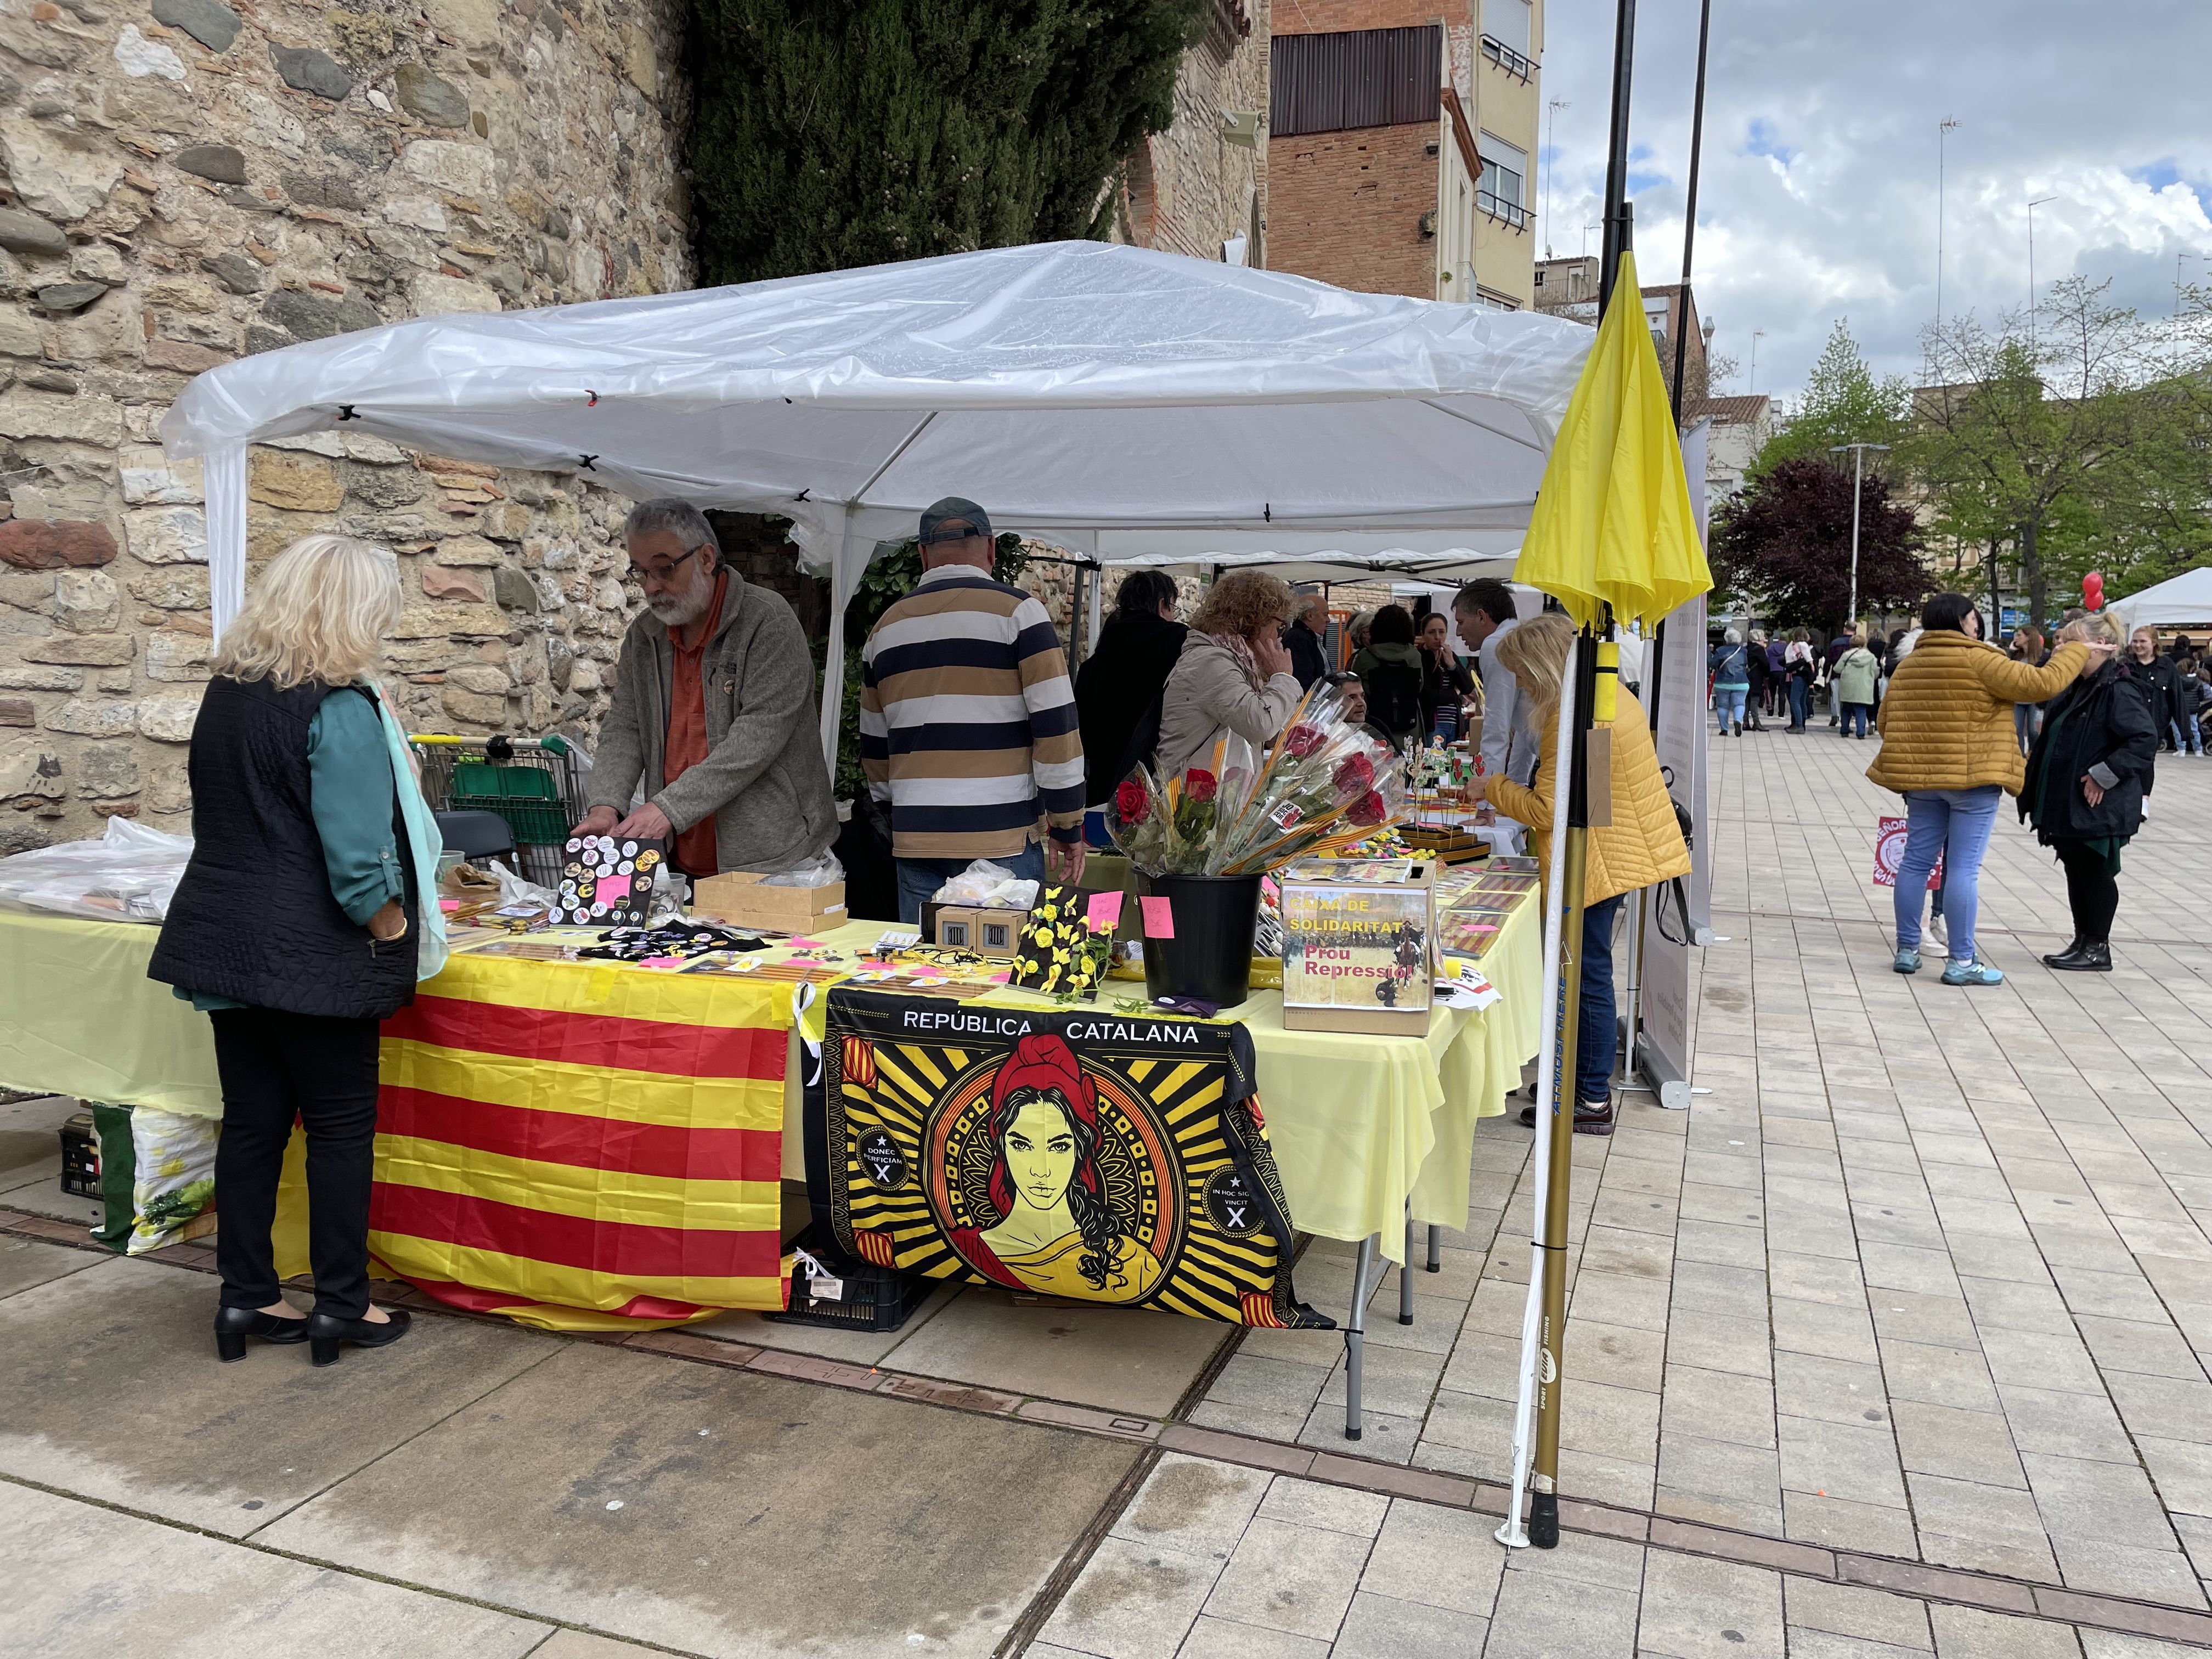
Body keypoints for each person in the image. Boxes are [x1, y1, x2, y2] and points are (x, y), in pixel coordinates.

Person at [148, 535, 446, 1368]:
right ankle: (341, 1308)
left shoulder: (229, 692)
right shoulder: (339, 707)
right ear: (355, 610)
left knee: (252, 1126)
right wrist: (392, 930)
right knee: (341, 1133)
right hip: (315, 953)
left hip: (227, 938)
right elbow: (358, 865)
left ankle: (246, 1298)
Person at [1472, 614, 1690, 1135]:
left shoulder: (1576, 717)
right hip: (1608, 850)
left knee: (1587, 975)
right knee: (1587, 970)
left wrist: (1493, 787)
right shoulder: (1601, 697)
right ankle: (1574, 1080)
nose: (1520, 685)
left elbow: (1549, 810)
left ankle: (1590, 1096)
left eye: (1522, 674)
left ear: (1544, 667)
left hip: (1598, 859)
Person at [577, 499, 836, 881]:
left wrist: (667, 808)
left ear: (707, 558)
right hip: (677, 855)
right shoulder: (644, 636)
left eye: (664, 569)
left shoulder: (768, 621)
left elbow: (756, 738)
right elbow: (624, 726)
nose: (651, 587)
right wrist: (605, 805)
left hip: (774, 858)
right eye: (641, 572)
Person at [860, 497, 1085, 923]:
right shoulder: (1021, 614)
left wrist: (901, 817)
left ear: (923, 554)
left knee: (928, 977)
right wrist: (1068, 824)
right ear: (991, 548)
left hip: (917, 840)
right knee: (1003, 980)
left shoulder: (885, 629)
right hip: (1002, 841)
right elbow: (1056, 732)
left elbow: (875, 751)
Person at [1867, 592, 2098, 985]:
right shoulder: (1981, 659)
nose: (1978, 624)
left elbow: (1886, 722)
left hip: (1922, 783)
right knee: (1962, 868)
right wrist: (2076, 650)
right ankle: (1961, 960)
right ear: (1964, 620)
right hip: (1974, 782)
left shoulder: (1909, 666)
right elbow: (2043, 684)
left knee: (1916, 863)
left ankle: (1908, 949)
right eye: (1974, 618)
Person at [947, 1034, 1161, 1300]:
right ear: (1001, 1147)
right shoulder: (967, 1247)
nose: (1041, 1170)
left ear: (1079, 1150)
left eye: (1058, 1146)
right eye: (1022, 1145)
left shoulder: (1135, 1262)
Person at [2022, 612, 2156, 973]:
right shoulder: (2076, 686)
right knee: (2076, 867)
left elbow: (2143, 740)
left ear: (2099, 648)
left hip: (2098, 803)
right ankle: (2083, 940)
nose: (2061, 648)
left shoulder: (2118, 688)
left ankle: (2098, 946)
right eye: (2059, 641)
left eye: (2070, 642)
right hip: (2068, 801)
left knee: (2094, 870)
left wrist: (2104, 774)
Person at [1154, 571, 1305, 777]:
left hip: (1209, 797)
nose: (1279, 639)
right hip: (1189, 801)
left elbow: (1261, 730)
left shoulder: (1235, 662)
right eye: (1279, 627)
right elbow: (1260, 724)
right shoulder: (1211, 662)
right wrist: (1284, 678)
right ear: (1256, 620)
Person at [1075, 571, 1186, 813]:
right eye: (1173, 607)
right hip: (1161, 786)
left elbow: (1081, 736)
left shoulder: (1091, 666)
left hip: (1102, 789)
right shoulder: (1181, 644)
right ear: (1162, 604)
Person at [1453, 579, 1539, 782]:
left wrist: (1487, 803)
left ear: (1481, 616)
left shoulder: (1496, 644)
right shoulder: (1517, 637)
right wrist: (1515, 788)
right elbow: (1525, 724)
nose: (1458, 632)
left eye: (1461, 622)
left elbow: (1496, 728)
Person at [1350, 603, 1427, 751]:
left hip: (1376, 724)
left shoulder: (1365, 657)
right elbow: (1420, 686)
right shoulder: (1415, 656)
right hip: (1410, 725)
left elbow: (1357, 686)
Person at [1416, 609, 1476, 740]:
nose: (1438, 637)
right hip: (1433, 724)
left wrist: (1452, 666)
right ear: (1423, 634)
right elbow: (1427, 695)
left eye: (1442, 632)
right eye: (1432, 632)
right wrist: (1454, 693)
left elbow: (1467, 687)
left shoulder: (1449, 655)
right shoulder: (1420, 657)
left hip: (1454, 722)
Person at [2131, 627, 2191, 754]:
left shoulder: (2167, 666)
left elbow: (2177, 698)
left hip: (2154, 726)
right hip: (2128, 726)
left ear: (2154, 643)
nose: (2138, 645)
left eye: (2142, 641)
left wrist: (2185, 731)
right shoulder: (2127, 665)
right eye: (2135, 641)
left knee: (2145, 765)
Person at [1323, 670, 1397, 752]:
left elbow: (1401, 761)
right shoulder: (1321, 732)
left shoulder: (1376, 726)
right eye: (1352, 698)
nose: (1362, 703)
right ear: (1332, 703)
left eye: (1362, 696)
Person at [2010, 627, 2050, 755]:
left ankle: (2033, 754)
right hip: (2018, 698)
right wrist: (2010, 652)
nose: (2016, 638)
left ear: (2029, 637)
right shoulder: (2016, 655)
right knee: (2017, 729)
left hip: (2034, 698)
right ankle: (2020, 756)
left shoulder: (2043, 655)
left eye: (2019, 635)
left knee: (2033, 730)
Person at [1833, 630, 1880, 738]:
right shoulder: (1871, 656)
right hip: (1864, 687)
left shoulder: (1846, 655)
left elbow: (1837, 669)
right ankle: (1860, 733)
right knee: (1861, 709)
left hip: (1848, 685)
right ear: (1864, 644)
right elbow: (1876, 672)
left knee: (1846, 709)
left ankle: (1844, 730)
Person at [1284, 588, 1331, 691]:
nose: (1329, 620)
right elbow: (1303, 682)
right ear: (1310, 615)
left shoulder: (1309, 637)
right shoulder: (1298, 639)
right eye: (1325, 614)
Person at [1708, 628, 1751, 736]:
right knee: (1740, 704)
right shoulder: (1744, 651)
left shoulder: (1720, 650)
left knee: (1723, 706)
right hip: (1741, 682)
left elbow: (1714, 664)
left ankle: (1724, 730)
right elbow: (1746, 664)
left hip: (1723, 682)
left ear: (1726, 639)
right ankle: (1737, 721)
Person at [1783, 629, 1816, 732]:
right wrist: (1811, 665)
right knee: (1802, 701)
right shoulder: (1804, 645)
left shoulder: (1792, 645)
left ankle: (1798, 725)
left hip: (1798, 674)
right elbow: (1808, 657)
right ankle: (1802, 724)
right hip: (1806, 675)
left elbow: (1788, 658)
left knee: (1794, 700)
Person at [1744, 630, 1771, 730]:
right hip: (1756, 677)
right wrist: (1767, 675)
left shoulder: (1746, 648)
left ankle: (1745, 723)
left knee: (1747, 699)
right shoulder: (1759, 649)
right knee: (1755, 700)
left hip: (1746, 676)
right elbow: (1766, 664)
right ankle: (1757, 722)